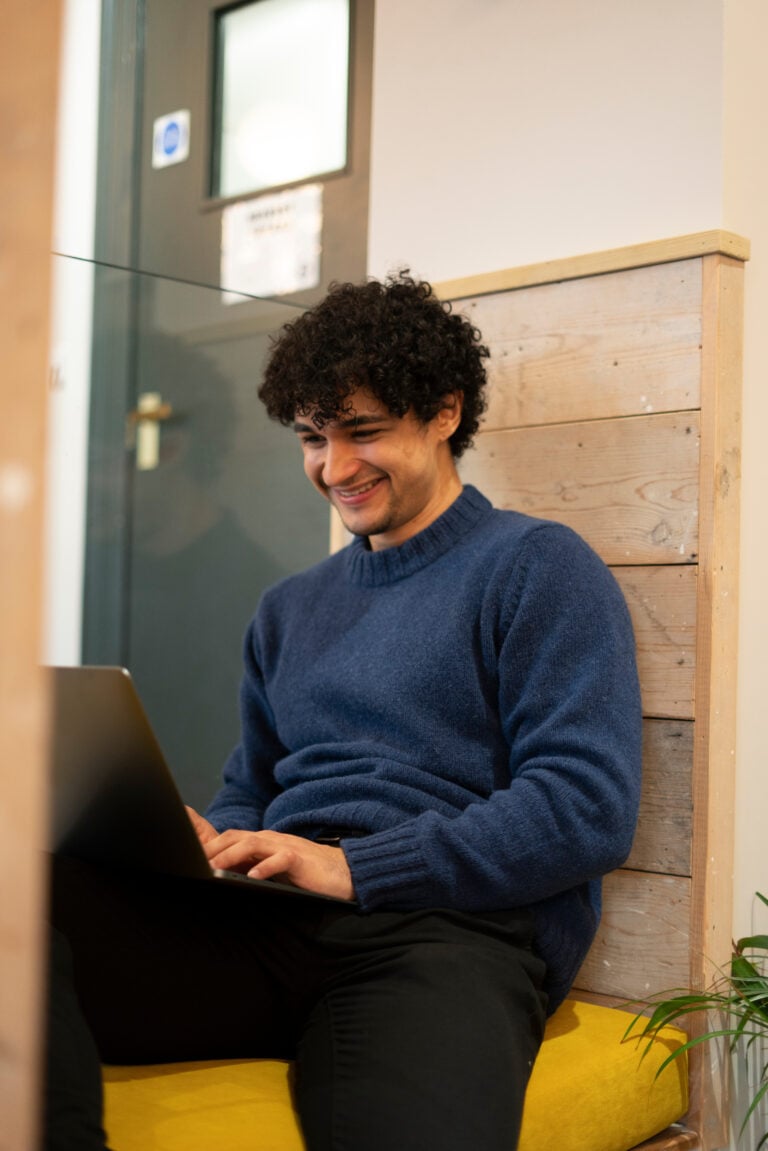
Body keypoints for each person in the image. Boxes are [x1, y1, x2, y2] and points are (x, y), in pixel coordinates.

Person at [47, 272, 642, 1151]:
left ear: (444, 413)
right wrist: (212, 850)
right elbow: (252, 787)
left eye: (364, 431)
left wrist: (353, 868)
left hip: (442, 939)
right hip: (264, 926)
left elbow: (583, 809)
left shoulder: (536, 566)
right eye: (313, 437)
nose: (335, 466)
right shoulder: (289, 607)